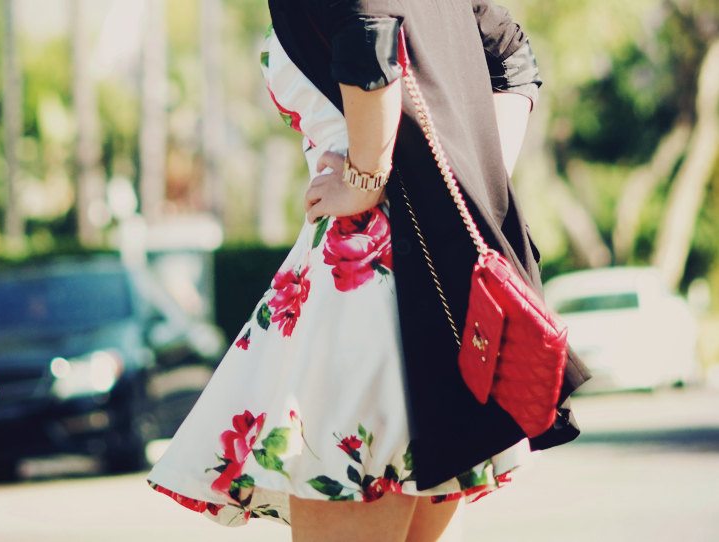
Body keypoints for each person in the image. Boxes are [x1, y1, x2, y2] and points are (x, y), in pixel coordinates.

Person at [147, 1, 591, 540]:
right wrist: (463, 188)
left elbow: (370, 34)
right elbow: (511, 59)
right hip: (437, 279)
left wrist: (364, 179)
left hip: (370, 296)